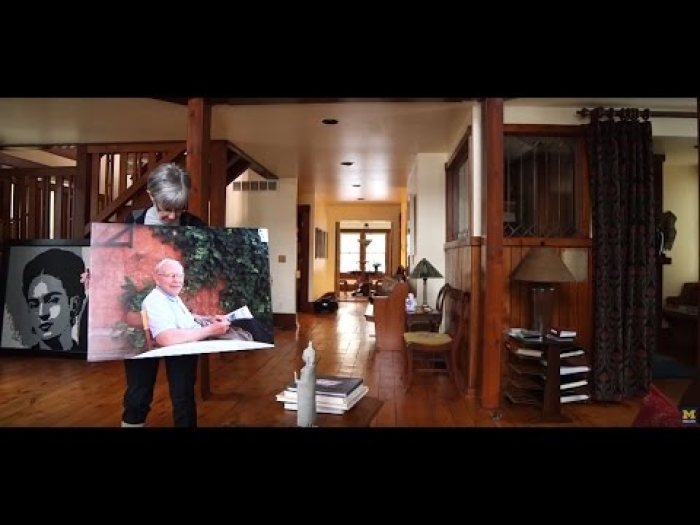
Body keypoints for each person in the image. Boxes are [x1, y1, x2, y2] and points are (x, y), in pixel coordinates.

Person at [121, 162, 218, 428]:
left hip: (180, 314)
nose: (173, 215)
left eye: (179, 208)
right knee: (137, 393)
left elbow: (208, 267)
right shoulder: (133, 222)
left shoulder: (195, 225)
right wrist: (92, 277)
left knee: (183, 393)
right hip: (142, 316)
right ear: (151, 196)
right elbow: (120, 266)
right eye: (166, 209)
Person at [21, 248, 88, 353]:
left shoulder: (84, 356)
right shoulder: (21, 359)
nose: (42, 313)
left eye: (52, 300)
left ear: (74, 305)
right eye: (34, 305)